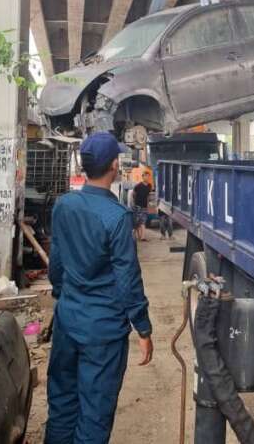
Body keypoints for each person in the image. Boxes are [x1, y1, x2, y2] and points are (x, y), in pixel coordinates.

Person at [45, 132, 153, 444]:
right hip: (103, 332)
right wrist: (142, 328)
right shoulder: (118, 217)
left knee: (62, 404)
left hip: (68, 320)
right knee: (94, 413)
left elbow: (57, 264)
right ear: (115, 165)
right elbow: (128, 280)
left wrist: (63, 298)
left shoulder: (64, 205)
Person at [132, 168, 152, 242]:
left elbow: (148, 196)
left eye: (148, 176)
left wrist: (149, 204)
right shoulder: (138, 186)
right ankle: (139, 236)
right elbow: (133, 194)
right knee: (137, 223)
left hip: (144, 207)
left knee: (143, 222)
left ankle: (142, 237)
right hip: (137, 206)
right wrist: (134, 204)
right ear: (142, 177)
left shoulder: (149, 186)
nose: (147, 177)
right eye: (145, 176)